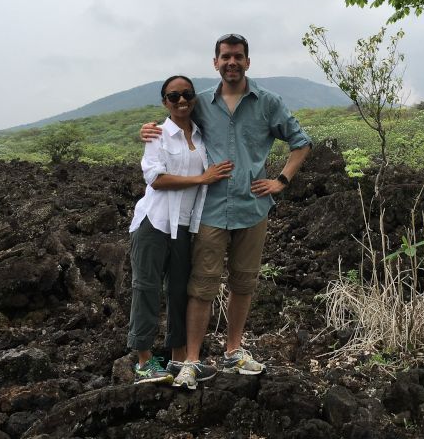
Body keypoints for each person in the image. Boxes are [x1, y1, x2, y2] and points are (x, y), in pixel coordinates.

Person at [141, 33, 311, 390]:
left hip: (252, 207)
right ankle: (192, 360)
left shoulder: (268, 103)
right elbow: (176, 118)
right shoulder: (201, 102)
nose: (231, 62)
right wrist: (148, 129)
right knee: (202, 285)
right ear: (215, 63)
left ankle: (234, 351)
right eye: (225, 57)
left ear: (247, 62)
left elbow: (301, 143)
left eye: (237, 56)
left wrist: (281, 179)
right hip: (211, 208)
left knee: (243, 282)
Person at [127, 75, 234, 384]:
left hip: (186, 225)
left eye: (187, 94)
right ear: (165, 102)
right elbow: (155, 179)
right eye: (174, 96)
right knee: (146, 287)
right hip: (155, 222)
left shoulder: (201, 136)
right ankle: (144, 359)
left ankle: (177, 359)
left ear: (194, 98)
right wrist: (202, 179)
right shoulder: (157, 135)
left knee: (179, 291)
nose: (181, 100)